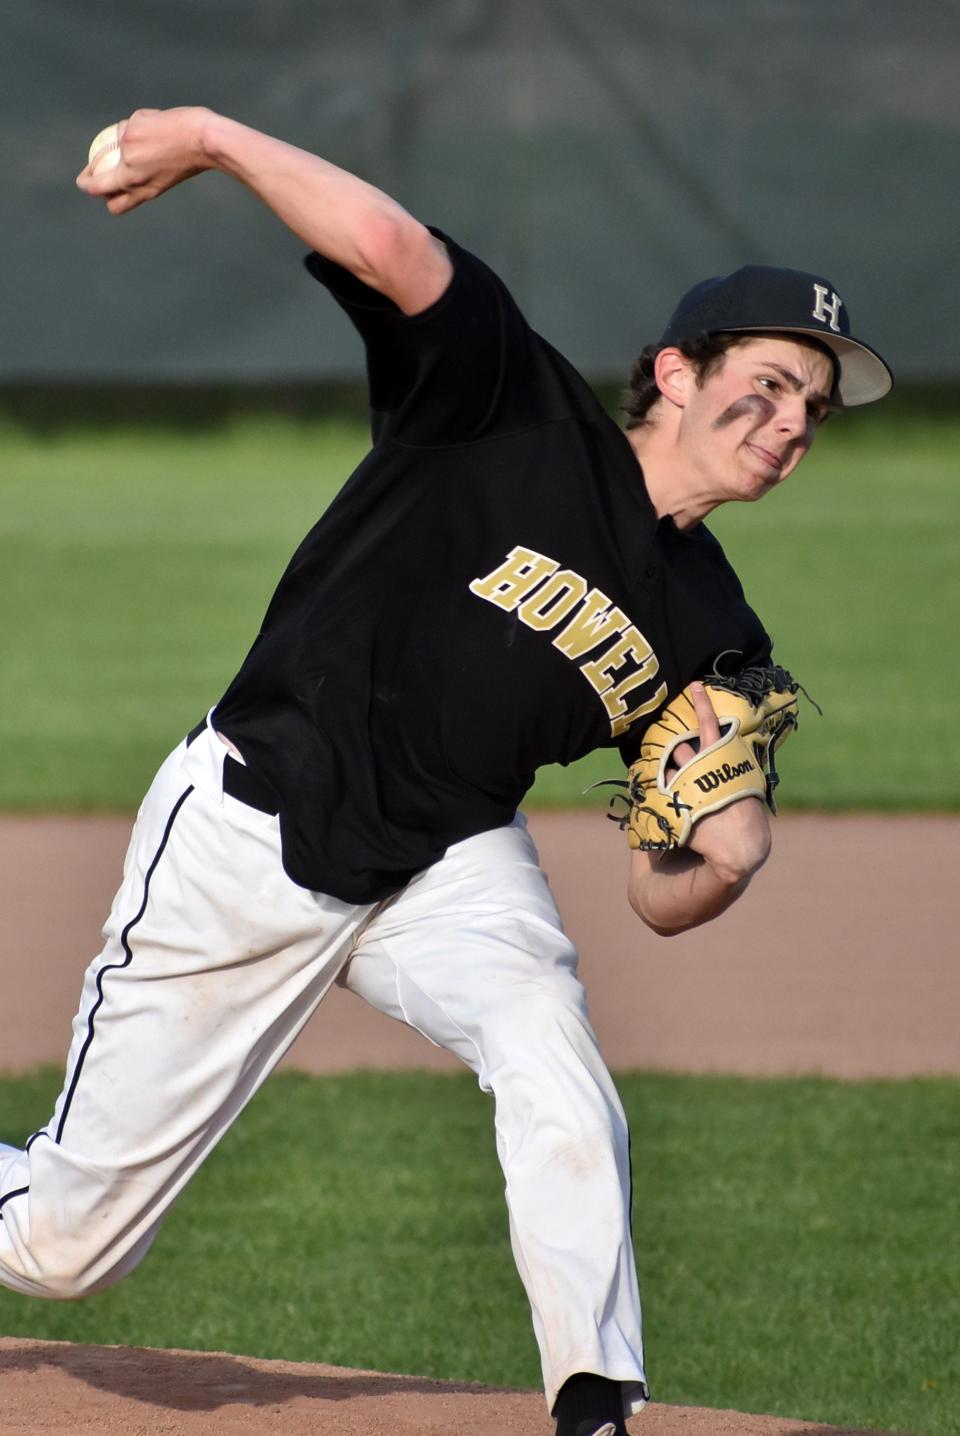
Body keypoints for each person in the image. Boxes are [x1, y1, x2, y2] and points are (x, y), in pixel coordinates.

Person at [0, 107, 891, 1436]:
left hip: (446, 858)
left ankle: (595, 1396)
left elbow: (663, 889)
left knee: (551, 1047)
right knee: (69, 1247)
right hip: (261, 822)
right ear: (675, 372)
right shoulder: (505, 402)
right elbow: (387, 240)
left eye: (810, 411)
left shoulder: (721, 633)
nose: (787, 423)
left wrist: (732, 851)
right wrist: (206, 136)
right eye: (765, 382)